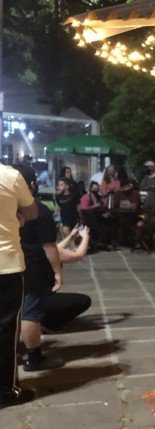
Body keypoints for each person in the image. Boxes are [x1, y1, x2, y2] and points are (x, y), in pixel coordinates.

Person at [13, 165, 66, 372]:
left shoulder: (6, 208)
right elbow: (49, 246)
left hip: (9, 265)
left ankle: (13, 353)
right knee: (30, 313)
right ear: (32, 184)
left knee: (12, 312)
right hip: (32, 268)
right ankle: (34, 358)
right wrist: (57, 271)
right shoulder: (39, 210)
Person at [0, 163, 38, 407]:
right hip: (6, 264)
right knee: (6, 331)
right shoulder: (10, 176)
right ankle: (6, 390)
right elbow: (33, 212)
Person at [112, 181, 142, 248]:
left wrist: (123, 205)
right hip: (120, 215)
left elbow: (134, 206)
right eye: (123, 187)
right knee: (113, 220)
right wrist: (127, 205)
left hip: (133, 215)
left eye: (126, 186)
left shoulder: (135, 193)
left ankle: (128, 241)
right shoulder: (118, 193)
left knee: (124, 222)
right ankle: (117, 240)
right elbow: (116, 204)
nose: (125, 189)